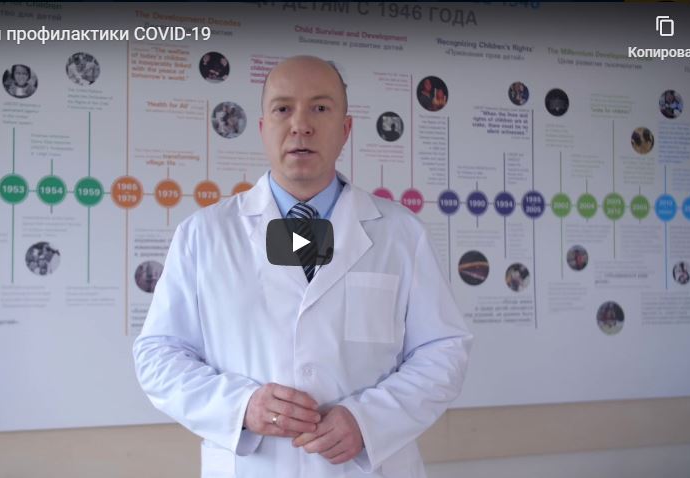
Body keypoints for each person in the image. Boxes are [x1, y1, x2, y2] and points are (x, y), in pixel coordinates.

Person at [133, 55, 472, 477]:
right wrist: (241, 406)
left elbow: (443, 349)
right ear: (263, 128)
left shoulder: (402, 234)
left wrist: (369, 421)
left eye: (320, 108)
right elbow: (159, 354)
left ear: (345, 129)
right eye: (283, 109)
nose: (301, 125)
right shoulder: (204, 234)